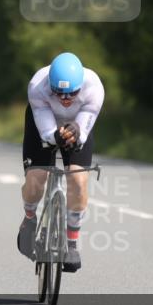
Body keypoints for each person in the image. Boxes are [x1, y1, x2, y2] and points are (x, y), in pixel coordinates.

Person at [16, 52, 104, 272]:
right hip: (43, 123)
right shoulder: (38, 85)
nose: (65, 98)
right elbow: (45, 129)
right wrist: (54, 136)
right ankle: (29, 217)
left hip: (77, 122)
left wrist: (77, 131)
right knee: (36, 180)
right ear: (50, 86)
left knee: (78, 180)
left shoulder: (94, 87)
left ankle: (72, 242)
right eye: (59, 93)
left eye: (72, 93)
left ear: (80, 86)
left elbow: (84, 129)